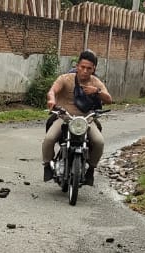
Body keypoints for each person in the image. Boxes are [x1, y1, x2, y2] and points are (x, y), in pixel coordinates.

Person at [43, 50, 113, 185]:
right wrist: (52, 100)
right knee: (49, 138)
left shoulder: (96, 82)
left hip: (86, 120)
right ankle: (47, 165)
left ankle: (91, 170)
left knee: (99, 142)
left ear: (94, 69)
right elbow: (52, 91)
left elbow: (109, 99)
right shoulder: (65, 78)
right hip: (65, 118)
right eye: (82, 67)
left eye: (89, 68)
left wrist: (97, 91)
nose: (85, 71)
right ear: (77, 66)